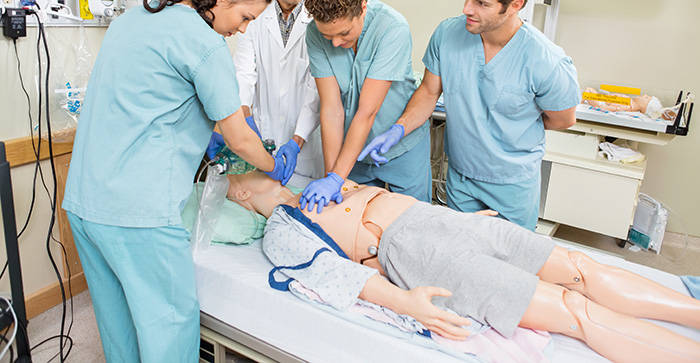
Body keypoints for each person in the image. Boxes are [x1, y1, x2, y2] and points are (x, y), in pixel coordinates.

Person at [61, 0, 288, 362]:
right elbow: (239, 135)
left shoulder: (136, 17)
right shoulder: (204, 43)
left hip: (84, 202)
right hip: (138, 213)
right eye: (244, 17)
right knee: (169, 326)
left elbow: (148, 104)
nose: (242, 29)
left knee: (119, 325)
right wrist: (273, 163)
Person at [226, 171, 700, 363]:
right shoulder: (281, 230)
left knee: (580, 266)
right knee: (573, 309)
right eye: (241, 168)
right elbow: (334, 276)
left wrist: (460, 219)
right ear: (241, 193)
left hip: (441, 219)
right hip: (414, 250)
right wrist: (405, 300)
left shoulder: (317, 181)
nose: (259, 161)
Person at [360, 0, 580, 231]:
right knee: (461, 258)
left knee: (509, 263)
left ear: (514, 5)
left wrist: (510, 129)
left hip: (511, 185)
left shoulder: (545, 60)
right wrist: (398, 129)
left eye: (481, 3)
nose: (466, 8)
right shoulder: (448, 35)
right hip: (461, 178)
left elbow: (563, 119)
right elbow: (428, 93)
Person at [300, 0, 431, 213]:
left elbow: (367, 111)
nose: (335, 42)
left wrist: (337, 178)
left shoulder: (392, 28)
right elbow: (331, 110)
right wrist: (333, 176)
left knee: (413, 219)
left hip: (401, 148)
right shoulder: (315, 34)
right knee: (352, 217)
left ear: (362, 8)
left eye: (344, 33)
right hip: (353, 150)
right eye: (329, 36)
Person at [231, 0, 324, 181]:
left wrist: (296, 140)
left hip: (306, 150)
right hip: (262, 140)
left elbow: (318, 89)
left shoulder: (320, 20)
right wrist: (244, 117)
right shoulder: (255, 17)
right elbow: (243, 72)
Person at [582, 87, 677, 120]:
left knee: (587, 92)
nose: (645, 94)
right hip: (603, 99)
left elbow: (615, 109)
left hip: (602, 102)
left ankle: (578, 103)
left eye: (646, 97)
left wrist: (602, 106)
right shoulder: (629, 101)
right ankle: (580, 101)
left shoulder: (628, 105)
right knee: (588, 90)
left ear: (644, 105)